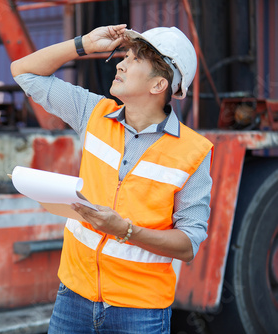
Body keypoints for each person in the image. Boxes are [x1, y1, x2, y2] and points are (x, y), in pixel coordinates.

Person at [11, 24, 213, 334]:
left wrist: (126, 231)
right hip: (73, 297)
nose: (120, 63)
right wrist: (84, 44)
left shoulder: (193, 152)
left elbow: (187, 245)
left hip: (140, 311)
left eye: (134, 59)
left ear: (159, 85)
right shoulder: (93, 114)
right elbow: (23, 71)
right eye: (125, 56)